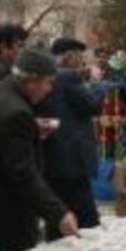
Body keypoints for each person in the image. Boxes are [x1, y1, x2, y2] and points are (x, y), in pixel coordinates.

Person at [0, 48, 79, 251]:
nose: (50, 90)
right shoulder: (15, 112)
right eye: (48, 82)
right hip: (5, 216)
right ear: (32, 80)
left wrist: (31, 130)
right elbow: (23, 173)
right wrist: (59, 213)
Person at [37, 37, 103, 239]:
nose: (81, 61)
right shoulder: (67, 77)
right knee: (87, 221)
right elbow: (94, 106)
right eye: (79, 56)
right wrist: (95, 82)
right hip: (72, 160)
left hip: (51, 156)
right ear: (68, 57)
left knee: (57, 217)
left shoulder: (45, 74)